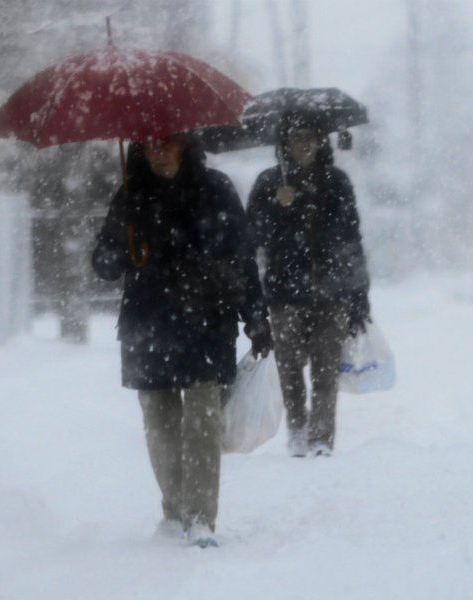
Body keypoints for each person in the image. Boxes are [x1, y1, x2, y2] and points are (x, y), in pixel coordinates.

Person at [92, 135, 272, 548]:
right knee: (159, 420)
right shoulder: (129, 194)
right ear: (138, 149)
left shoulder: (216, 189)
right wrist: (118, 245)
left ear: (185, 144)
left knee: (203, 419)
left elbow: (242, 255)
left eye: (168, 142)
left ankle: (201, 517)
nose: (159, 150)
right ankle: (174, 509)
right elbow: (102, 264)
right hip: (147, 322)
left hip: (206, 319)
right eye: (150, 144)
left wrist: (256, 315)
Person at [246, 113, 370, 458]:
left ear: (320, 141)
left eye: (310, 136)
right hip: (285, 295)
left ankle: (320, 439)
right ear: (283, 144)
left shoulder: (337, 183)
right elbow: (252, 235)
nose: (303, 142)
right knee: (289, 367)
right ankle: (297, 428)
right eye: (295, 136)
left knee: (326, 369)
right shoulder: (269, 183)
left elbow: (352, 240)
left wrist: (360, 294)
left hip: (333, 293)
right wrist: (277, 206)